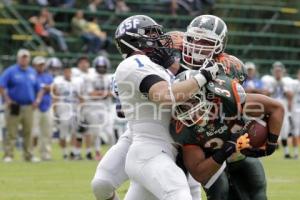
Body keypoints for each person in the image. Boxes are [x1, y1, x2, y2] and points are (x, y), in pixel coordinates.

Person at [113, 15, 220, 200]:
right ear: (134, 39)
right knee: (178, 194)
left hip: (161, 151)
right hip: (151, 150)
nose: (159, 38)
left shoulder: (154, 66)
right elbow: (165, 96)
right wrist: (202, 77)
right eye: (151, 33)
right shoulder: (135, 63)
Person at [179, 15, 271, 200]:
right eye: (193, 39)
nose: (198, 46)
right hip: (196, 142)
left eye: (205, 41)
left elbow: (264, 107)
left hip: (231, 138)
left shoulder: (230, 66)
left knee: (255, 189)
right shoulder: (177, 67)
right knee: (218, 192)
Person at [0, 49, 43, 162]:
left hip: (29, 106)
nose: (24, 59)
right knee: (11, 132)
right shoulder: (11, 71)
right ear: (18, 58)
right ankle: (9, 155)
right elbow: (2, 86)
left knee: (28, 132)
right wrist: (7, 100)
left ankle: (28, 155)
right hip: (14, 105)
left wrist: (37, 100)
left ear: (29, 59)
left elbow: (39, 89)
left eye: (26, 57)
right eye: (22, 57)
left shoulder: (32, 72)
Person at [262, 62, 293, 159]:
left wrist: (284, 88)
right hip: (274, 110)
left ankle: (286, 152)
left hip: (284, 109)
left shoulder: (287, 82)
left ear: (283, 72)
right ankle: (269, 150)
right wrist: (271, 89)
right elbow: (264, 95)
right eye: (276, 71)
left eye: (279, 71)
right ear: (273, 71)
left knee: (285, 130)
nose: (278, 73)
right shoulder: (269, 81)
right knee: (271, 130)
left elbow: (290, 95)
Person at [85, 56, 114, 161]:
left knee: (110, 132)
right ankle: (97, 152)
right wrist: (105, 94)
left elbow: (114, 93)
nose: (101, 68)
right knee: (96, 132)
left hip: (106, 108)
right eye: (99, 66)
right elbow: (92, 94)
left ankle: (113, 154)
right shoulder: (90, 78)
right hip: (94, 108)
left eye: (103, 66)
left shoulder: (110, 77)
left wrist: (101, 94)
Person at [52, 64, 83, 159]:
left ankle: (74, 152)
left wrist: (81, 109)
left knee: (76, 132)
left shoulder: (76, 83)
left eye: (69, 72)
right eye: (66, 72)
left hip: (74, 110)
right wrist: (55, 112)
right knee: (63, 133)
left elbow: (80, 97)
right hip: (63, 110)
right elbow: (55, 97)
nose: (67, 74)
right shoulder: (58, 82)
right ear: (63, 73)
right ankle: (64, 152)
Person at [31, 56, 54, 161]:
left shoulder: (48, 76)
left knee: (47, 132)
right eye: (39, 65)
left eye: (42, 65)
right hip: (34, 107)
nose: (41, 67)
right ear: (34, 65)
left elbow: (52, 88)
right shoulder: (31, 76)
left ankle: (45, 154)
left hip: (47, 106)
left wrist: (48, 88)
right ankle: (31, 153)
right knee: (33, 132)